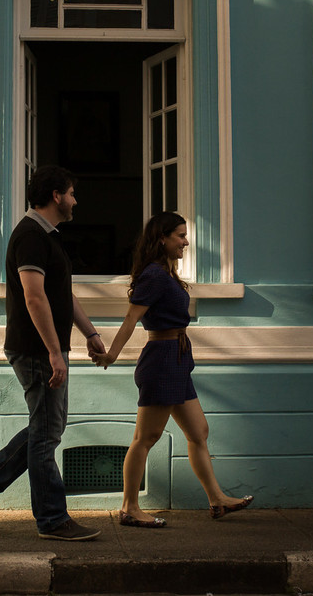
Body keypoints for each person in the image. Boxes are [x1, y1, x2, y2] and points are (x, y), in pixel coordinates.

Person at [0, 165, 108, 541]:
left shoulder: (49, 237)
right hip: (36, 350)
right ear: (56, 195)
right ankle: (52, 519)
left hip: (47, 349)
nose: (75, 200)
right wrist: (54, 352)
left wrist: (89, 332)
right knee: (45, 435)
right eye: (72, 193)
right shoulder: (30, 235)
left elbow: (61, 294)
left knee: (47, 429)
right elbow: (34, 296)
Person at [91, 211, 253, 528]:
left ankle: (216, 499)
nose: (186, 241)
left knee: (198, 432)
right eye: (180, 235)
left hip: (175, 360)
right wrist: (111, 353)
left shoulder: (166, 274)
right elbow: (130, 319)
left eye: (185, 235)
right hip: (163, 360)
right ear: (162, 238)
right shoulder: (154, 275)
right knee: (146, 437)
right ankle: (129, 508)